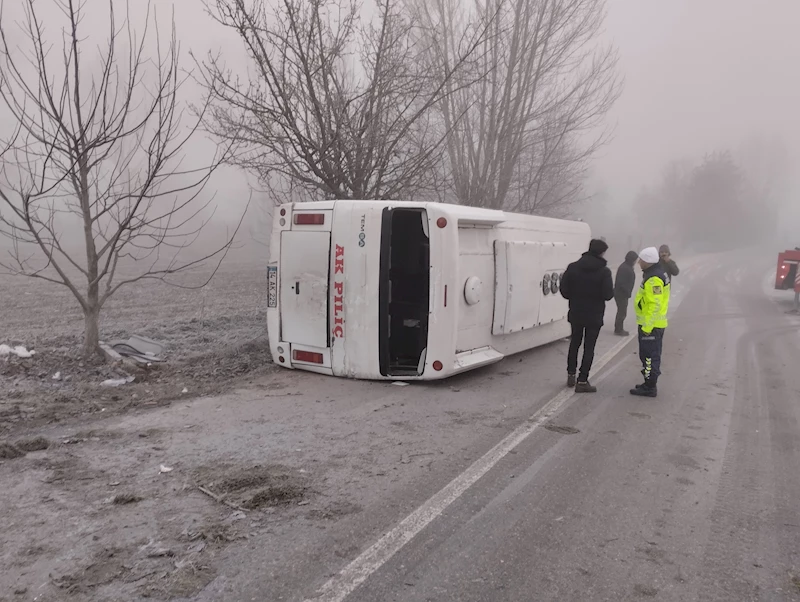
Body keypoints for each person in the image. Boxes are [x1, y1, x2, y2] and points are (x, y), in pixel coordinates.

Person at [559, 238, 614, 392]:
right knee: (589, 347)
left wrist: (575, 297)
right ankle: (582, 381)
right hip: (594, 315)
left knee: (574, 343)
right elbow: (608, 295)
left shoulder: (573, 267)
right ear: (602, 252)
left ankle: (571, 374)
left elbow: (564, 290)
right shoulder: (604, 271)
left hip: (576, 312)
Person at [630, 247, 670, 398]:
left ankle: (650, 386)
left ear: (647, 261)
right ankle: (648, 382)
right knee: (648, 355)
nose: (639, 262)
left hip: (651, 326)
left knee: (649, 356)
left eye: (641, 259)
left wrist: (647, 326)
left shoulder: (653, 279)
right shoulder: (654, 274)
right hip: (652, 324)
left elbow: (655, 304)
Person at [613, 251, 639, 336]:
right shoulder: (625, 268)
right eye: (635, 259)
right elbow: (621, 282)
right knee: (622, 312)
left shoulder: (626, 266)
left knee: (622, 311)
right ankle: (618, 329)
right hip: (621, 294)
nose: (636, 261)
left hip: (621, 293)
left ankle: (619, 328)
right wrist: (627, 292)